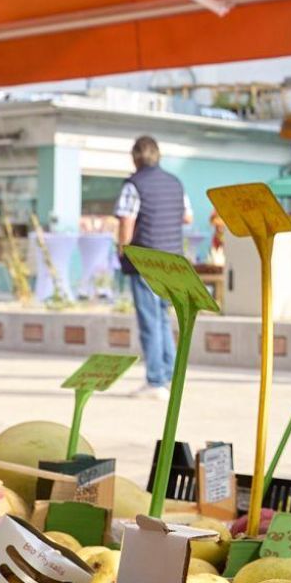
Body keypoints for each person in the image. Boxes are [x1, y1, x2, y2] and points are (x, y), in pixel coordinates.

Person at [116, 136, 194, 398]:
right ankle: (171, 376)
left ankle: (155, 381)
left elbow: (126, 222)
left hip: (145, 261)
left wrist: (122, 250)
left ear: (135, 158)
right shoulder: (176, 183)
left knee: (150, 320)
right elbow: (187, 216)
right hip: (172, 263)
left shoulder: (134, 184)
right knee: (162, 318)